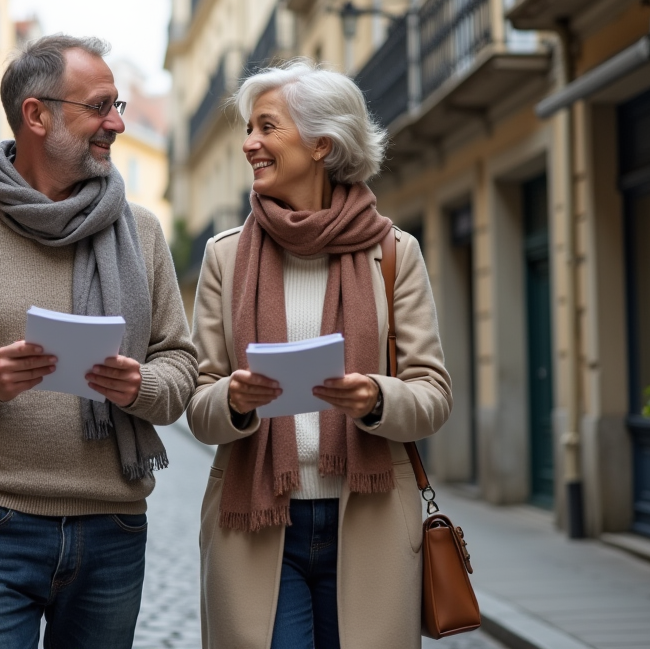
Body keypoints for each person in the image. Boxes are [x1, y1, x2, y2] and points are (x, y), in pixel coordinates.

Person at [0, 35, 198, 649]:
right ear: (37, 115)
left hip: (114, 529)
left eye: (119, 105)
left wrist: (141, 386)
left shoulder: (143, 233)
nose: (117, 123)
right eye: (99, 106)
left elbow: (181, 365)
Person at [186, 60, 452, 648]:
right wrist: (231, 398)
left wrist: (376, 397)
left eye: (267, 127)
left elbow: (433, 394)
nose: (249, 144)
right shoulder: (225, 258)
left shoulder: (395, 253)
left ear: (322, 144)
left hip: (373, 520)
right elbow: (198, 400)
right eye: (248, 128)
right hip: (255, 524)